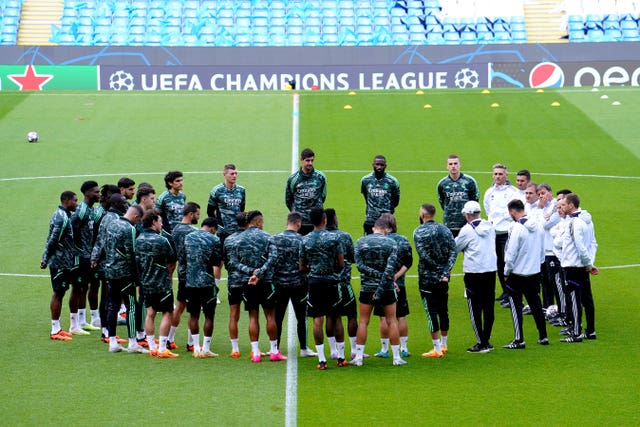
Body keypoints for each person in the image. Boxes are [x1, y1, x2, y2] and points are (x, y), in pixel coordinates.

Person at [227, 210, 285, 362]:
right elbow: (273, 258)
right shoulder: (267, 237)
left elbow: (233, 262)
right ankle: (273, 351)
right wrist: (260, 273)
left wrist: (251, 272)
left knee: (253, 316)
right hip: (265, 282)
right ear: (258, 221)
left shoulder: (237, 239)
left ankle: (256, 353)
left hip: (248, 282)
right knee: (270, 316)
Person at [351, 218, 405, 367]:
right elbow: (389, 270)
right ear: (386, 229)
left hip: (367, 288)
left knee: (363, 322)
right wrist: (381, 287)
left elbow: (360, 267)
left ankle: (359, 357)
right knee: (391, 321)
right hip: (386, 288)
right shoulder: (392, 243)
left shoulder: (361, 242)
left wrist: (375, 282)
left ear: (374, 228)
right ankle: (396, 358)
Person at [300, 208, 345, 369]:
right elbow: (341, 263)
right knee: (336, 317)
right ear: (324, 219)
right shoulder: (334, 238)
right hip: (332, 281)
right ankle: (340, 357)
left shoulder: (305, 240)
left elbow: (302, 266)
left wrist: (313, 269)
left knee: (317, 320)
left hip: (314, 282)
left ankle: (322, 359)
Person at [101, 205, 148, 354]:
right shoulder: (130, 229)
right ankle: (133, 342)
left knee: (113, 305)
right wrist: (137, 276)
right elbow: (131, 254)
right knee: (131, 306)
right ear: (135, 217)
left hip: (109, 271)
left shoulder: (111, 223)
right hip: (125, 274)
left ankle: (113, 342)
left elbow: (104, 245)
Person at [502, 199, 548, 349]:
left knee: (516, 306)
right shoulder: (539, 226)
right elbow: (542, 249)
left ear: (513, 211)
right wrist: (538, 265)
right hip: (534, 272)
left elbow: (510, 253)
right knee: (536, 304)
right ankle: (543, 336)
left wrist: (506, 272)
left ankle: (519, 339)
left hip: (517, 274)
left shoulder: (517, 228)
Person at [270, 212, 316, 357]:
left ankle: (275, 348)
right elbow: (307, 261)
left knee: (277, 317)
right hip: (299, 284)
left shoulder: (275, 239)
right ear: (298, 224)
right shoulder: (302, 240)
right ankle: (304, 348)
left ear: (287, 223)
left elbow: (271, 261)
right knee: (301, 317)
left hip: (279, 284)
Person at [413, 203, 457, 358]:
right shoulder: (445, 229)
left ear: (423, 215)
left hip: (427, 278)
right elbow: (453, 250)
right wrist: (445, 271)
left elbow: (423, 255)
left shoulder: (419, 232)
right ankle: (444, 344)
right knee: (443, 309)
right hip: (444, 278)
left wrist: (437, 270)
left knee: (430, 311)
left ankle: (437, 348)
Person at [455, 201, 497, 353]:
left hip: (474, 272)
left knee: (474, 307)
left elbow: (456, 247)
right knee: (488, 306)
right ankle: (486, 338)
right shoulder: (490, 227)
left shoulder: (467, 230)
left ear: (467, 215)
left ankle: (481, 342)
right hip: (490, 271)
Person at [136, 210, 178, 358]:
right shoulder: (162, 240)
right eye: (160, 221)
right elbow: (172, 258)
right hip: (162, 283)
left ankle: (152, 347)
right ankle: (162, 348)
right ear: (154, 222)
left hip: (146, 283)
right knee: (167, 313)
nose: (161, 224)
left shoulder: (138, 239)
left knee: (150, 314)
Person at [559, 193, 599, 343]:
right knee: (587, 299)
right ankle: (590, 331)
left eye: (563, 205)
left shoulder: (574, 223)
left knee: (575, 299)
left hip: (573, 266)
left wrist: (588, 264)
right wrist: (589, 263)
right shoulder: (585, 222)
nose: (561, 208)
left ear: (571, 205)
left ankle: (576, 333)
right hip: (582, 266)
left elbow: (580, 247)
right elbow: (593, 244)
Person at [373, 213, 413, 358]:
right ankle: (404, 348)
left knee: (383, 317)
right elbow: (408, 262)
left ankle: (384, 349)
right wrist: (397, 276)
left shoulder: (379, 240)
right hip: (399, 283)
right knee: (401, 316)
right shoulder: (403, 239)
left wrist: (388, 278)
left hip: (382, 284)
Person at [41, 191, 78, 341]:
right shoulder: (61, 218)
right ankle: (55, 330)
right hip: (59, 262)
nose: (76, 203)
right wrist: (45, 258)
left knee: (61, 292)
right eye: (75, 201)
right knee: (58, 292)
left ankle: (58, 328)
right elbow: (53, 240)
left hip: (64, 260)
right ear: (67, 201)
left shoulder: (63, 215)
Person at [483, 163, 521, 307]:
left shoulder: (513, 192)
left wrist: (502, 217)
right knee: (498, 263)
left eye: (500, 174)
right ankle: (506, 292)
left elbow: (514, 211)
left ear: (506, 175)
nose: (498, 176)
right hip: (494, 233)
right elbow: (488, 210)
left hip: (507, 232)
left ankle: (513, 293)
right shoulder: (489, 192)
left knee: (508, 262)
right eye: (496, 174)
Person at [184, 217, 223, 358]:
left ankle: (195, 348)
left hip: (190, 281)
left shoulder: (188, 237)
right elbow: (216, 262)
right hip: (207, 282)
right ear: (213, 228)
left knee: (193, 315)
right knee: (209, 315)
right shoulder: (214, 240)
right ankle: (206, 348)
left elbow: (183, 258)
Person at [167, 202, 201, 351]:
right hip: (193, 274)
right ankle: (192, 343)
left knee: (180, 305)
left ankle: (169, 338)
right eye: (198, 214)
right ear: (190, 214)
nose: (199, 217)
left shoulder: (175, 229)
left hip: (181, 272)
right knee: (194, 309)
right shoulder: (194, 231)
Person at [324, 208, 357, 359]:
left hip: (327, 283)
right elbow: (353, 257)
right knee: (351, 315)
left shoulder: (320, 237)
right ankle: (354, 349)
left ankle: (333, 350)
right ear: (335, 219)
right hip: (344, 283)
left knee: (331, 316)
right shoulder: (345, 236)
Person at [71, 180, 102, 332]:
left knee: (92, 285)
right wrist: (78, 247)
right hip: (82, 255)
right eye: (96, 192)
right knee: (81, 287)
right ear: (88, 193)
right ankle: (78, 321)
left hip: (90, 255)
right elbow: (73, 226)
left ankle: (88, 319)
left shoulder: (92, 210)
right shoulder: (82, 209)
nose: (99, 194)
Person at [436, 154, 480, 237]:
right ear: (447, 166)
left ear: (460, 165)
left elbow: (475, 200)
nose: (453, 166)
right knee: (450, 249)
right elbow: (442, 202)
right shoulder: (442, 184)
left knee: (470, 250)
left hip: (467, 224)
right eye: (450, 164)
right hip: (449, 225)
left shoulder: (470, 181)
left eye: (455, 163)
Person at [223, 212, 248, 358]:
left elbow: (226, 260)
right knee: (254, 314)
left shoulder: (228, 240)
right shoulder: (249, 238)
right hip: (248, 280)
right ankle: (254, 348)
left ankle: (235, 349)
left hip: (233, 280)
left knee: (233, 315)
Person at [285, 148, 327, 235]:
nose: (310, 163)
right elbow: (288, 200)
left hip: (316, 222)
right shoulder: (293, 179)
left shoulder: (321, 177)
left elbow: (323, 196)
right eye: (307, 160)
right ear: (301, 160)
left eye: (312, 160)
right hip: (300, 223)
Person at [360, 155, 400, 235]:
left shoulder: (392, 181)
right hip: (370, 219)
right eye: (377, 164)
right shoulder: (365, 180)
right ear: (373, 165)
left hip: (386, 221)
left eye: (382, 165)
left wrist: (387, 212)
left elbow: (396, 200)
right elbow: (366, 196)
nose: (379, 167)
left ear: (385, 166)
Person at [207, 163, 246, 244]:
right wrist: (217, 226)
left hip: (238, 231)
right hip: (223, 231)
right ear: (224, 174)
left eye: (236, 173)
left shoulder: (241, 190)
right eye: (232, 174)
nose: (234, 176)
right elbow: (210, 211)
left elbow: (241, 209)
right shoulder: (217, 190)